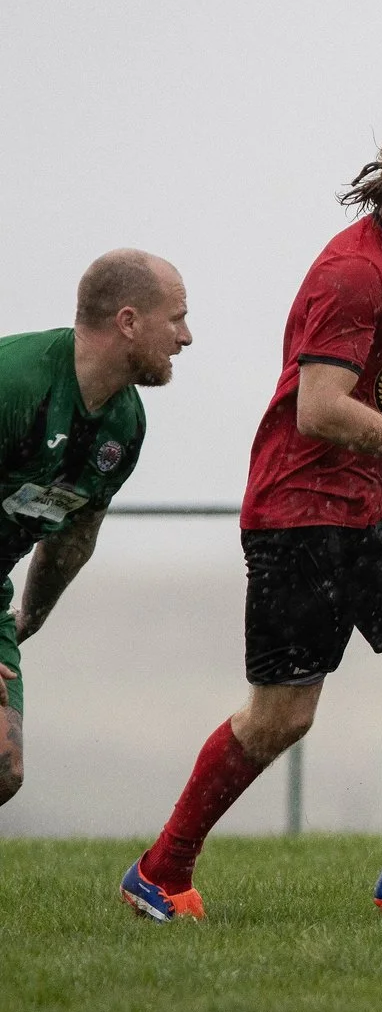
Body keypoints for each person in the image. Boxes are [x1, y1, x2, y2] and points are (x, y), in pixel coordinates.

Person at [123, 107, 382, 921]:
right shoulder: (350, 272)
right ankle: (161, 872)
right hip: (300, 511)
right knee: (282, 718)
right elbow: (318, 409)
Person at [1, 252, 193, 806]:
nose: (186, 337)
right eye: (176, 318)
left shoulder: (124, 422)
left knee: (2, 768)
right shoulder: (16, 382)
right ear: (128, 322)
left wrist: (30, 616)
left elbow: (75, 534)